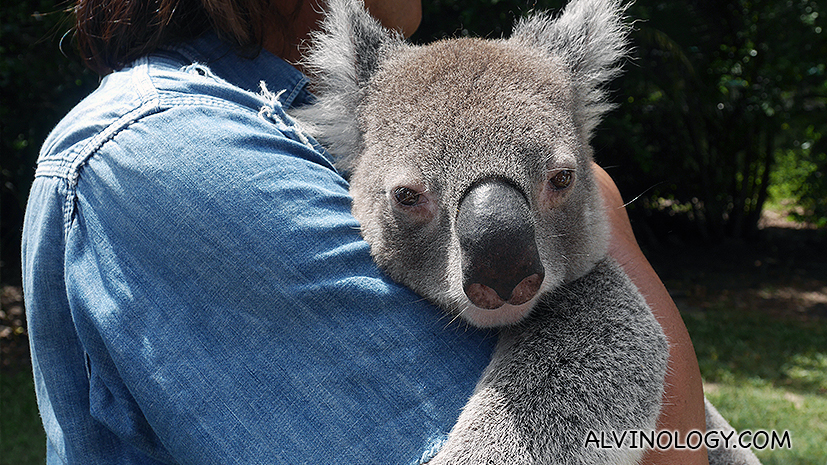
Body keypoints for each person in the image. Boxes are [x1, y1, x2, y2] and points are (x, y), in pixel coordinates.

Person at [22, 0, 707, 463]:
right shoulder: (172, 152)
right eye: (406, 196)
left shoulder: (316, 117)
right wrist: (599, 208)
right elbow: (669, 450)